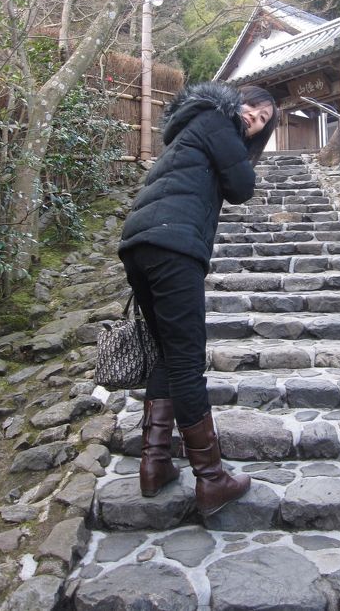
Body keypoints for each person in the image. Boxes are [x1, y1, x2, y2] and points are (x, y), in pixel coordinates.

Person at [118, 80, 277, 516]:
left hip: (140, 243)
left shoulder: (192, 126)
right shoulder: (215, 119)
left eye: (263, 121)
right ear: (236, 100)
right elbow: (242, 185)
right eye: (253, 108)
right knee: (188, 361)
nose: (253, 119)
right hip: (174, 245)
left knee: (168, 356)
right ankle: (211, 479)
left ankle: (155, 464)